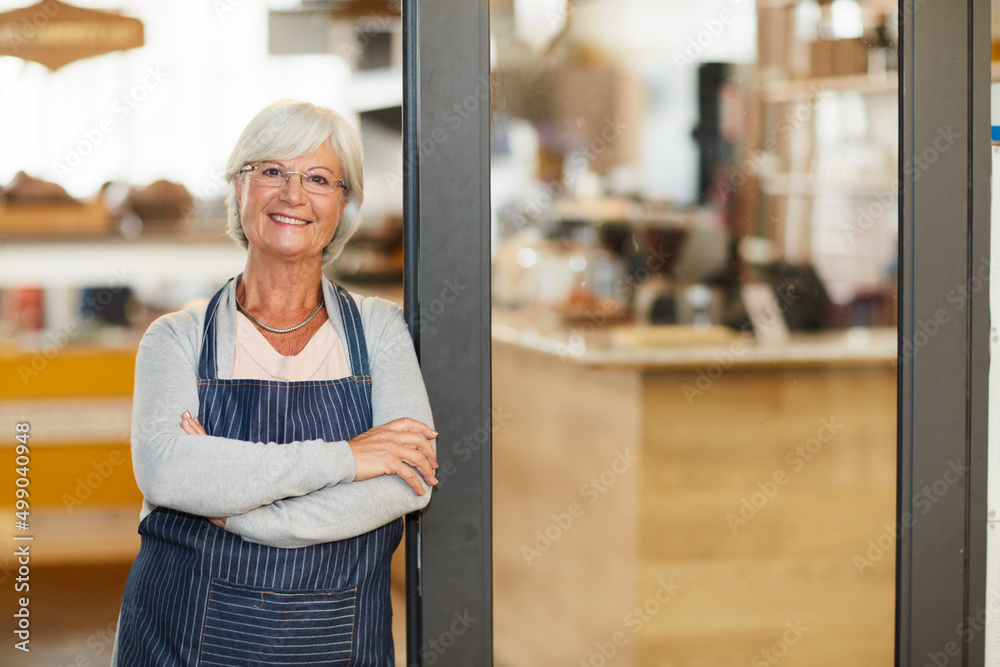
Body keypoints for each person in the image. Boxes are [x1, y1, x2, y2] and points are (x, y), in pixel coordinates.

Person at [112, 99, 438, 666]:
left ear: (344, 204)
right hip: (181, 637)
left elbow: (407, 482)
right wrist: (348, 457)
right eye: (271, 172)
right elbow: (168, 472)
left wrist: (238, 509)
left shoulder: (380, 332)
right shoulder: (176, 340)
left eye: (317, 178)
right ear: (238, 189)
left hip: (337, 640)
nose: (293, 195)